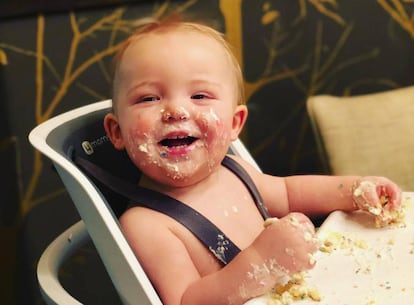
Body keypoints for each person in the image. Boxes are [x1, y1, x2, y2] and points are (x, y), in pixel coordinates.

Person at [103, 17, 402, 305]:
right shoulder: (147, 224)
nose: (176, 110)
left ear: (235, 123)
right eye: (149, 99)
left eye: (200, 95)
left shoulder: (234, 171)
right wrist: (261, 262)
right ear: (117, 132)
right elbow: (185, 300)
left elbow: (289, 192)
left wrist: (354, 191)